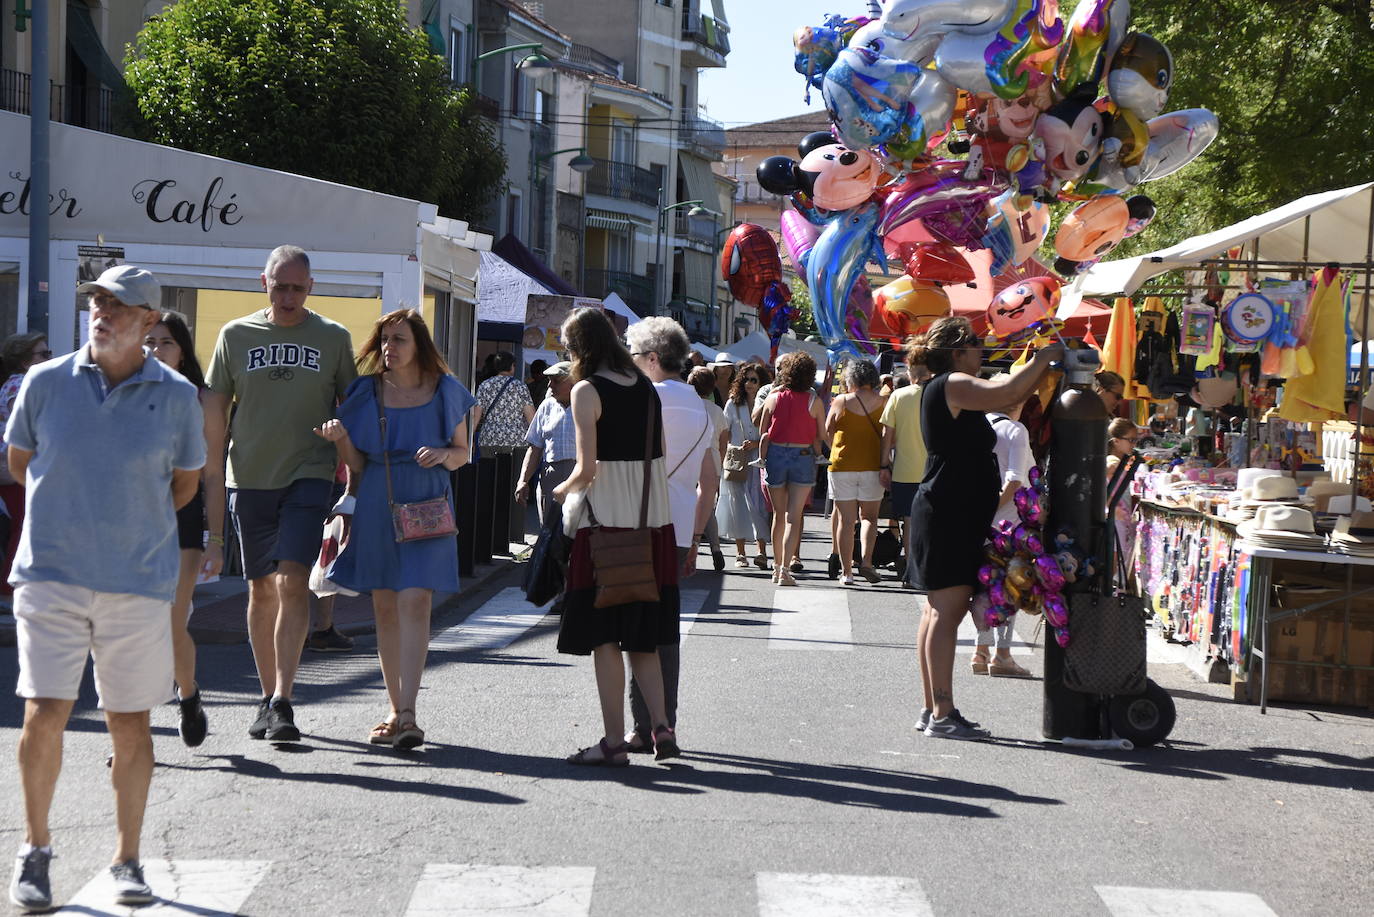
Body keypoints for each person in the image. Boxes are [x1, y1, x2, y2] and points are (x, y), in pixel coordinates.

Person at [6, 265, 205, 909]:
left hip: (137, 580)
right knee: (44, 712)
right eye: (96, 301)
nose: (103, 312)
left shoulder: (176, 396)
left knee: (129, 724)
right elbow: (21, 462)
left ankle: (127, 859)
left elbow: (185, 484)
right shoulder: (44, 381)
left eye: (119, 305)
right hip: (51, 575)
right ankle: (35, 849)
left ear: (150, 320)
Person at [204, 245, 358, 743]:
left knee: (293, 581)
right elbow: (215, 411)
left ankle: (284, 700)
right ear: (263, 282)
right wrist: (206, 470)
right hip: (248, 477)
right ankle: (266, 696)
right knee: (260, 588)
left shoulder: (333, 338)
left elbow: (352, 406)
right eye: (280, 285)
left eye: (297, 286)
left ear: (311, 287)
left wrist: (352, 470)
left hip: (309, 475)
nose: (288, 295)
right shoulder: (234, 335)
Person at [315, 309, 474, 749]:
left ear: (418, 344)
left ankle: (408, 713)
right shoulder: (367, 391)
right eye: (385, 339)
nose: (390, 347)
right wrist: (340, 439)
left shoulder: (447, 390)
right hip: (378, 502)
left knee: (416, 602)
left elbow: (463, 453)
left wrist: (443, 455)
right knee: (385, 606)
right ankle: (393, 709)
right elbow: (358, 464)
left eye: (399, 339)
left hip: (427, 503)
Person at [907, 317, 1062, 740]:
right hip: (948, 512)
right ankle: (942, 712)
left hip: (951, 510)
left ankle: (932, 708)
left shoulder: (946, 386)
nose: (983, 351)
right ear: (957, 352)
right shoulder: (952, 382)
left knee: (938, 610)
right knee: (946, 611)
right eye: (976, 345)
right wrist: (1046, 357)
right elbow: (1010, 392)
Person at [551, 308, 679, 766]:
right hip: (650, 524)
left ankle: (612, 743)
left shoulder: (587, 390)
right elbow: (655, 453)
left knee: (605, 638)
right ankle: (661, 726)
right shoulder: (645, 387)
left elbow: (586, 469)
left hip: (605, 526)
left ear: (581, 347)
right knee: (643, 637)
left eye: (568, 348)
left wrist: (558, 490)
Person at [623, 317, 718, 754]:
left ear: (653, 359)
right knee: (665, 628)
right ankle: (665, 722)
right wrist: (697, 537)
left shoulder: (643, 399)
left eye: (635, 356)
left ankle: (643, 725)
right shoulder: (702, 407)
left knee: (634, 627)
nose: (633, 364)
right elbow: (708, 482)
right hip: (678, 526)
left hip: (637, 521)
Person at [144, 312, 225, 745]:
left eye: (166, 342)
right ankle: (130, 732)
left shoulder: (203, 399)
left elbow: (213, 474)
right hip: (131, 521)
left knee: (171, 623)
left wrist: (216, 539)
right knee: (131, 626)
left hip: (184, 518)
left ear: (183, 349)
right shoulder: (124, 392)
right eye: (149, 342)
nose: (156, 350)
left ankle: (188, 695)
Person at [973, 378, 1035, 679]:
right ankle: (1002, 655)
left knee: (983, 586)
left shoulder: (977, 426)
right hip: (1011, 521)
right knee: (1010, 586)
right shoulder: (1015, 429)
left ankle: (981, 648)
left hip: (978, 519)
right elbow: (1013, 479)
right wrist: (994, 510)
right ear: (1015, 401)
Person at [757, 351, 827, 586]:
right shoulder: (813, 401)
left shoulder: (774, 397)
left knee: (777, 514)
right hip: (803, 455)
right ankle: (785, 569)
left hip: (776, 454)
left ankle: (776, 568)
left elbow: (762, 430)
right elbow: (822, 434)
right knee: (793, 516)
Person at [825, 359, 888, 585]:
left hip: (842, 465)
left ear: (851, 378)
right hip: (873, 465)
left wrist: (835, 447)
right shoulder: (883, 401)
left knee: (846, 520)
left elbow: (827, 430)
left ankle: (847, 572)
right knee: (870, 518)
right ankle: (867, 562)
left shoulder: (840, 401)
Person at [0, 332, 53, 596]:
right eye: (43, 354)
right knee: (24, 525)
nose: (48, 358)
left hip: (19, 467)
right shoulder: (20, 385)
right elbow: (24, 424)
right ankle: (10, 588)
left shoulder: (20, 383)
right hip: (16, 469)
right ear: (24, 361)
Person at [717, 362, 771, 569]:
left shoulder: (767, 403)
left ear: (761, 383)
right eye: (746, 379)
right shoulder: (733, 403)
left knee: (759, 506)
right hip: (737, 460)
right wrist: (731, 449)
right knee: (736, 505)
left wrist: (757, 443)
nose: (749, 383)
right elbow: (724, 431)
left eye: (754, 380)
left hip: (759, 459)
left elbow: (772, 432)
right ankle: (740, 553)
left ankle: (761, 551)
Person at [880, 352, 932, 565]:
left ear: (911, 373)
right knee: (931, 521)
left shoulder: (898, 396)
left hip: (905, 470)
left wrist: (884, 464)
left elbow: (887, 435)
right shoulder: (940, 394)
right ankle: (927, 565)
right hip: (934, 470)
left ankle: (912, 567)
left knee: (910, 521)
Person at [517, 361, 577, 529]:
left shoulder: (587, 404)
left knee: (577, 532)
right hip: (550, 475)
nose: (550, 385)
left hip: (580, 475)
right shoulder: (546, 406)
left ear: (573, 381)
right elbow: (535, 447)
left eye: (556, 381)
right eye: (549, 380)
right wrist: (523, 480)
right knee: (549, 531)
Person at [688, 367, 730, 571]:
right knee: (707, 507)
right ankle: (715, 548)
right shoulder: (716, 411)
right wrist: (720, 463)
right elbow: (724, 442)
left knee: (686, 503)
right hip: (712, 459)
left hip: (687, 460)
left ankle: (689, 548)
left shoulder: (686, 408)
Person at [471, 350, 535, 451]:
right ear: (512, 366)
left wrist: (470, 439)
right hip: (516, 440)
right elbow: (530, 416)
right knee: (512, 467)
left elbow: (476, 415)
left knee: (488, 466)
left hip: (489, 438)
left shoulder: (485, 385)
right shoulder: (520, 387)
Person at [1107, 418, 1140, 581]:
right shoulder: (1113, 462)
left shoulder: (1120, 461)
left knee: (1118, 561)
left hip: (1119, 517)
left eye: (1136, 439)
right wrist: (1108, 507)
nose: (1134, 444)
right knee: (1114, 562)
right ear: (1116, 441)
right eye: (1131, 440)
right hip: (1116, 520)